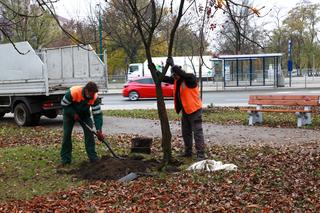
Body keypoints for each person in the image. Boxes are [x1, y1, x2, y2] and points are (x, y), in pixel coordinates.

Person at [161, 57, 206, 159]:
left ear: (179, 73)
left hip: (195, 110)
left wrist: (173, 65)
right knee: (186, 132)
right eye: (173, 75)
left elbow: (182, 74)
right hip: (186, 110)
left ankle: (201, 154)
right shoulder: (177, 81)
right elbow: (165, 79)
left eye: (175, 75)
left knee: (197, 132)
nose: (174, 77)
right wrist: (155, 71)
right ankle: (188, 152)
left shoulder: (190, 79)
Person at [59, 81, 104, 166]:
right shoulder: (73, 92)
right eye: (91, 94)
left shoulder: (94, 97)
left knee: (89, 133)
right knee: (67, 135)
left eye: (93, 94)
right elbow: (64, 104)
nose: (92, 96)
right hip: (69, 114)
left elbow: (97, 114)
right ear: (86, 91)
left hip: (84, 115)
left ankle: (93, 157)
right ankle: (65, 159)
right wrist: (73, 113)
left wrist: (99, 130)